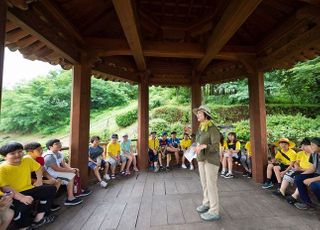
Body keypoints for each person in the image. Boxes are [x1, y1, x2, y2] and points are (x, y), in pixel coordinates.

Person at [0, 142, 56, 229]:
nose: (17, 155)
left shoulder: (27, 160)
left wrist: (39, 180)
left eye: (19, 151)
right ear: (4, 157)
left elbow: (38, 168)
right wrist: (21, 197)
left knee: (50, 189)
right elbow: (5, 187)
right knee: (23, 206)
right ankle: (24, 227)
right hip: (13, 194)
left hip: (29, 188)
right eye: (12, 153)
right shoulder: (2, 168)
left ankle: (39, 219)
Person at [193, 105, 221, 221]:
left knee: (211, 185)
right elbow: (198, 142)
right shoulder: (201, 128)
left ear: (206, 115)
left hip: (211, 160)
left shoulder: (213, 128)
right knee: (204, 183)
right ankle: (206, 203)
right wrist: (195, 147)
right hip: (201, 159)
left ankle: (214, 211)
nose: (197, 115)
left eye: (200, 113)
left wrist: (205, 146)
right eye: (197, 113)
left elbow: (215, 147)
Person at [44, 139, 91, 206]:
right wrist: (70, 171)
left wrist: (72, 169)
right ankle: (70, 198)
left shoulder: (59, 153)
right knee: (70, 176)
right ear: (50, 147)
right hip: (50, 174)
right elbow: (56, 169)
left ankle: (78, 191)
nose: (59, 144)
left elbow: (64, 164)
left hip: (56, 171)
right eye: (56, 144)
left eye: (59, 143)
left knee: (74, 172)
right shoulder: (49, 156)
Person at [24, 142, 62, 211]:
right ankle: (44, 205)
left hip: (38, 179)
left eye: (41, 149)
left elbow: (43, 171)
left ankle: (49, 202)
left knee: (57, 181)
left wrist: (50, 178)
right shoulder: (26, 161)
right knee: (49, 187)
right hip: (29, 183)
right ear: (30, 152)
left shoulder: (40, 159)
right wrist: (45, 181)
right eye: (38, 150)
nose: (41, 151)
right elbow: (28, 178)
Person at [293, 137, 320, 210]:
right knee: (298, 178)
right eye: (310, 145)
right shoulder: (314, 154)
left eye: (313, 145)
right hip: (316, 174)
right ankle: (307, 203)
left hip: (318, 177)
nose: (311, 147)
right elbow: (313, 167)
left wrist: (311, 180)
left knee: (314, 185)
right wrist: (303, 174)